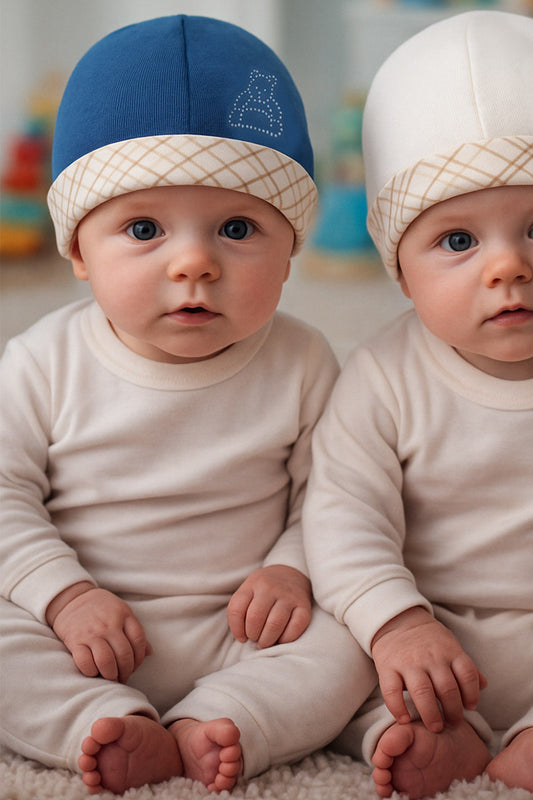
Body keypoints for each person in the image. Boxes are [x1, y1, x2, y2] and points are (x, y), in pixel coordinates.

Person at [0, 15, 376, 796]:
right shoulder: (41, 362)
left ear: (290, 247)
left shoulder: (303, 361)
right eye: (143, 228)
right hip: (72, 627)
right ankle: (97, 721)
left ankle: (226, 716)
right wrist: (63, 595)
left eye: (237, 228)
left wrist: (291, 568)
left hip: (246, 625)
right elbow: (5, 497)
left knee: (350, 643)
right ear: (77, 251)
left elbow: (338, 494)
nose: (195, 262)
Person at [303, 10, 533, 799]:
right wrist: (395, 621)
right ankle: (425, 734)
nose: (507, 267)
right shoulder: (382, 376)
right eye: (458, 242)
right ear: (398, 269)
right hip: (429, 633)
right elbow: (342, 515)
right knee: (330, 657)